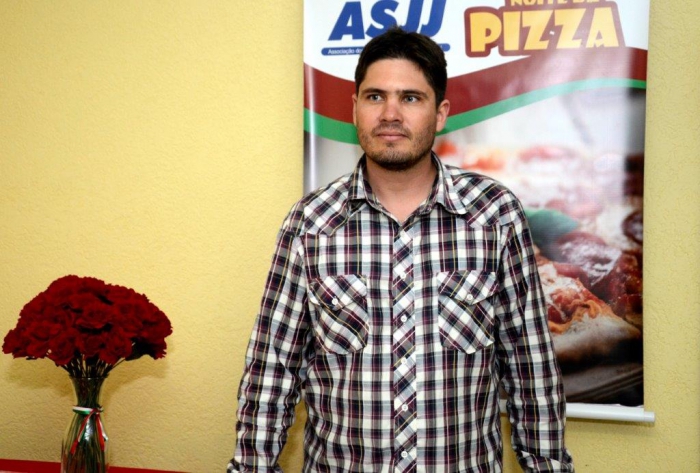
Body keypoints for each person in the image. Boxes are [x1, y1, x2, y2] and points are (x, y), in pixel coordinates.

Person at [228, 27, 574, 472]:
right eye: (375, 97)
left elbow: (531, 372)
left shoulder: (495, 215)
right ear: (354, 108)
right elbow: (271, 372)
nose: (390, 114)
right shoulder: (310, 224)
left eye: (410, 98)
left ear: (441, 113)